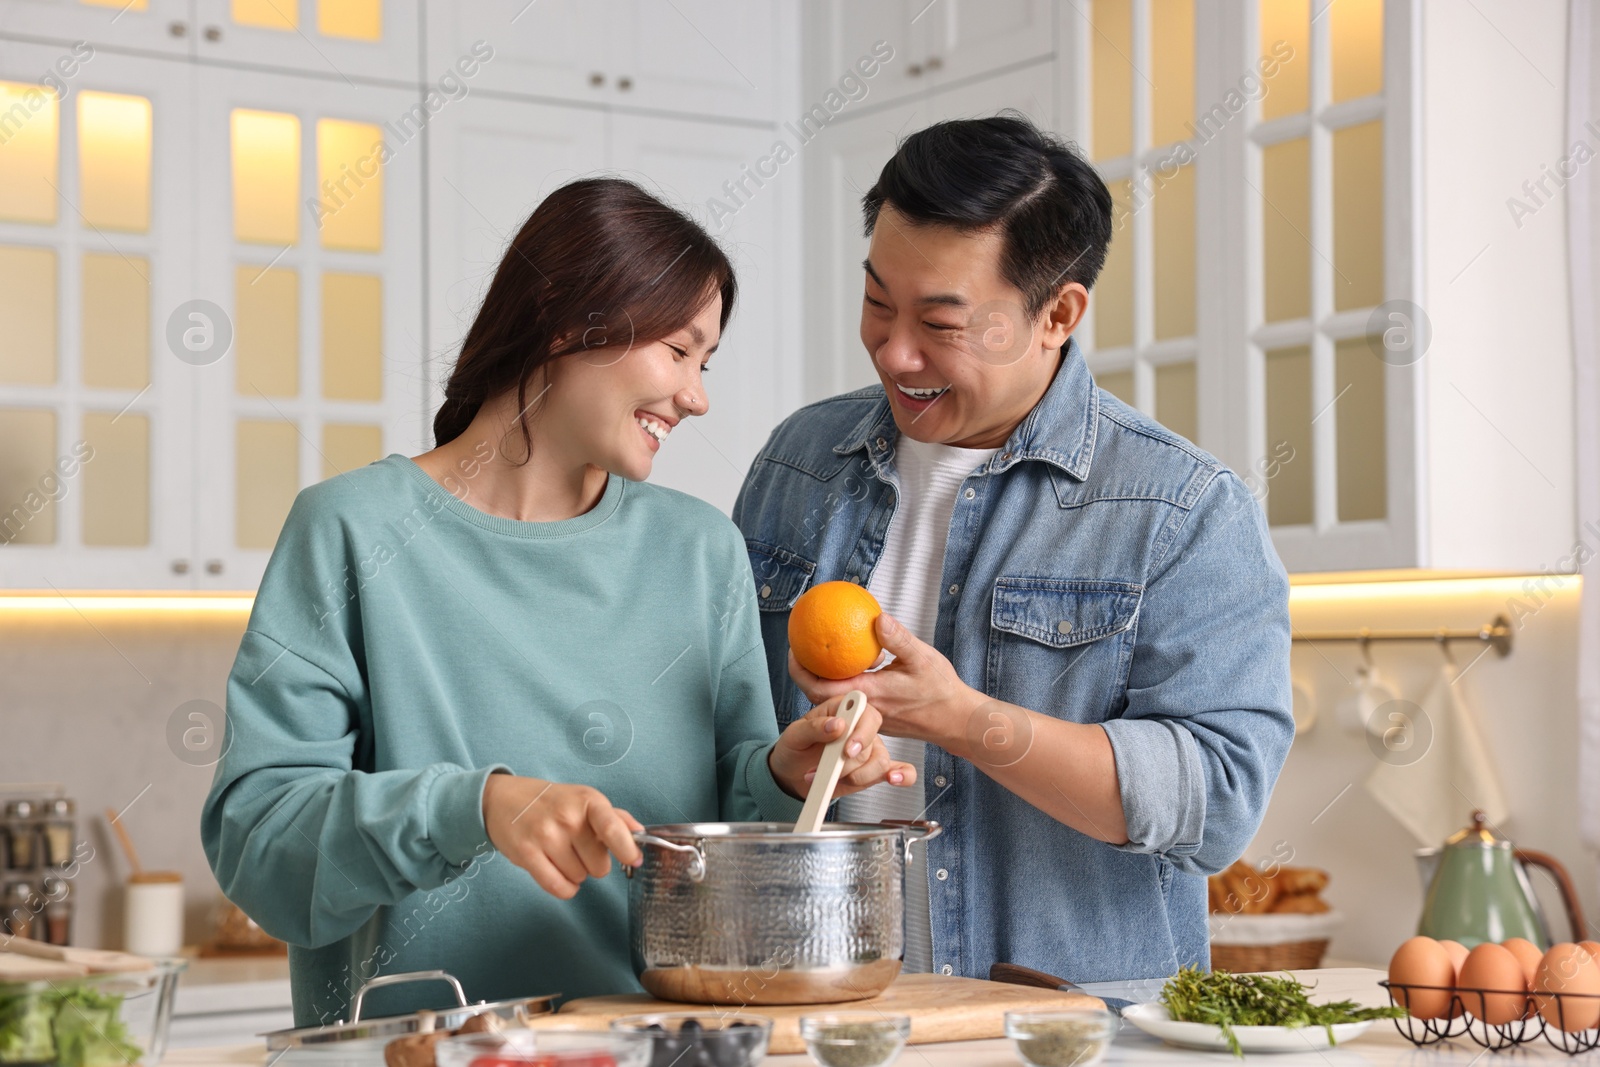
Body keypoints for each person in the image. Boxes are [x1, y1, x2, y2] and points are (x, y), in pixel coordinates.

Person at [201, 177, 915, 1026]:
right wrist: (472, 807)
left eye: (706, 362)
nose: (697, 395)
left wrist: (786, 775)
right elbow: (261, 846)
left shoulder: (698, 550)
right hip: (418, 1047)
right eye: (679, 351)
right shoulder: (352, 531)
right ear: (569, 321)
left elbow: (718, 836)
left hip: (655, 1043)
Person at [732, 114, 1294, 983]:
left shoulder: (1178, 510)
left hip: (1060, 1034)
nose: (893, 348)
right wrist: (780, 765)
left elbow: (1215, 801)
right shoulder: (798, 463)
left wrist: (965, 721)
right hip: (818, 1018)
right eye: (877, 300)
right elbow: (724, 743)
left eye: (941, 322)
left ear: (1058, 314)